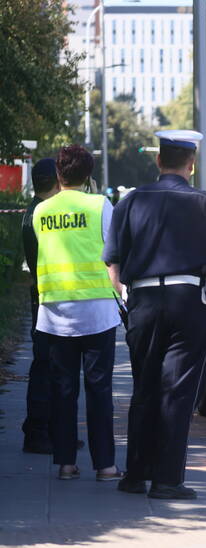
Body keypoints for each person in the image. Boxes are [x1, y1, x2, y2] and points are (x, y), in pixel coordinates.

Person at [103, 130, 206, 500]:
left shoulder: (130, 202)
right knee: (176, 392)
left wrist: (127, 300)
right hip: (189, 301)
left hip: (144, 303)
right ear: (191, 165)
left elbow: (113, 263)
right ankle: (167, 481)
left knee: (144, 387)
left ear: (158, 161)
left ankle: (135, 475)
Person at [32, 145, 121, 480]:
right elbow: (113, 255)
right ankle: (106, 465)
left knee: (63, 390)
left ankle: (66, 463)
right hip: (98, 309)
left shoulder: (43, 211)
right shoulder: (100, 205)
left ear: (58, 174)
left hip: (54, 311)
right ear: (89, 175)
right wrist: (122, 295)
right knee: (99, 390)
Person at [20, 159, 59, 454]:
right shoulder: (40, 214)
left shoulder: (35, 211)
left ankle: (46, 428)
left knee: (48, 366)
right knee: (45, 366)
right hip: (46, 302)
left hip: (44, 300)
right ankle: (37, 432)